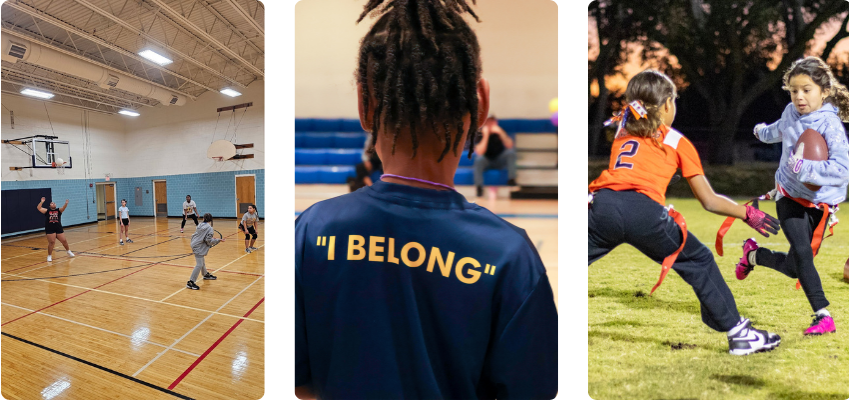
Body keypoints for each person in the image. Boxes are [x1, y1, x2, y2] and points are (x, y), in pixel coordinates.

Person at [294, 1, 558, 398]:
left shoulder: (311, 231)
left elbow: (300, 384)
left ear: (364, 105)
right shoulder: (511, 256)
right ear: (481, 103)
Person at [589, 69, 783, 356]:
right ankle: (739, 334)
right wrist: (746, 213)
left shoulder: (621, 130)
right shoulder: (677, 141)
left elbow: (637, 160)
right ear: (667, 104)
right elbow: (710, 201)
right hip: (644, 213)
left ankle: (530, 308)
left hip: (601, 205)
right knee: (699, 260)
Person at [738, 55, 849, 336]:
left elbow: (842, 169)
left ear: (824, 92)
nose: (799, 97)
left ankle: (753, 256)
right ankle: (823, 315)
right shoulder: (790, 112)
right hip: (788, 194)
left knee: (794, 266)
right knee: (802, 253)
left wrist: (806, 167)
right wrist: (760, 132)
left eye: (806, 90)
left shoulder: (830, 126)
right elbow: (777, 130)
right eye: (793, 91)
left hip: (821, 204)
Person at [471, 114, 517, 195]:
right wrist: (486, 135)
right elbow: (480, 152)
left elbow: (510, 145)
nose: (490, 124)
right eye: (488, 122)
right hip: (487, 160)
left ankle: (512, 180)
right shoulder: (480, 134)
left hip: (500, 159)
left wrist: (501, 133)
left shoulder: (500, 131)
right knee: (478, 160)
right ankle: (479, 188)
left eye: (492, 122)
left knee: (511, 153)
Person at [186, 213, 221, 290]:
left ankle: (205, 274)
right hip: (198, 246)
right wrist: (217, 240)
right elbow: (208, 241)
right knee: (199, 264)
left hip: (194, 243)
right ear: (211, 220)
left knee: (202, 261)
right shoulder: (209, 228)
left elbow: (203, 237)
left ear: (203, 219)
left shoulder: (200, 225)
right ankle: (191, 282)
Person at [36, 197, 74, 262]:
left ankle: (68, 251)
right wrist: (42, 202)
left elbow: (63, 208)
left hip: (58, 228)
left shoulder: (58, 210)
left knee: (64, 240)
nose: (53, 204)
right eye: (51, 203)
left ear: (55, 205)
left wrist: (66, 204)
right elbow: (38, 208)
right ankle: (49, 256)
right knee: (52, 242)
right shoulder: (47, 211)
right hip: (50, 228)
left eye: (54, 203)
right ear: (49, 205)